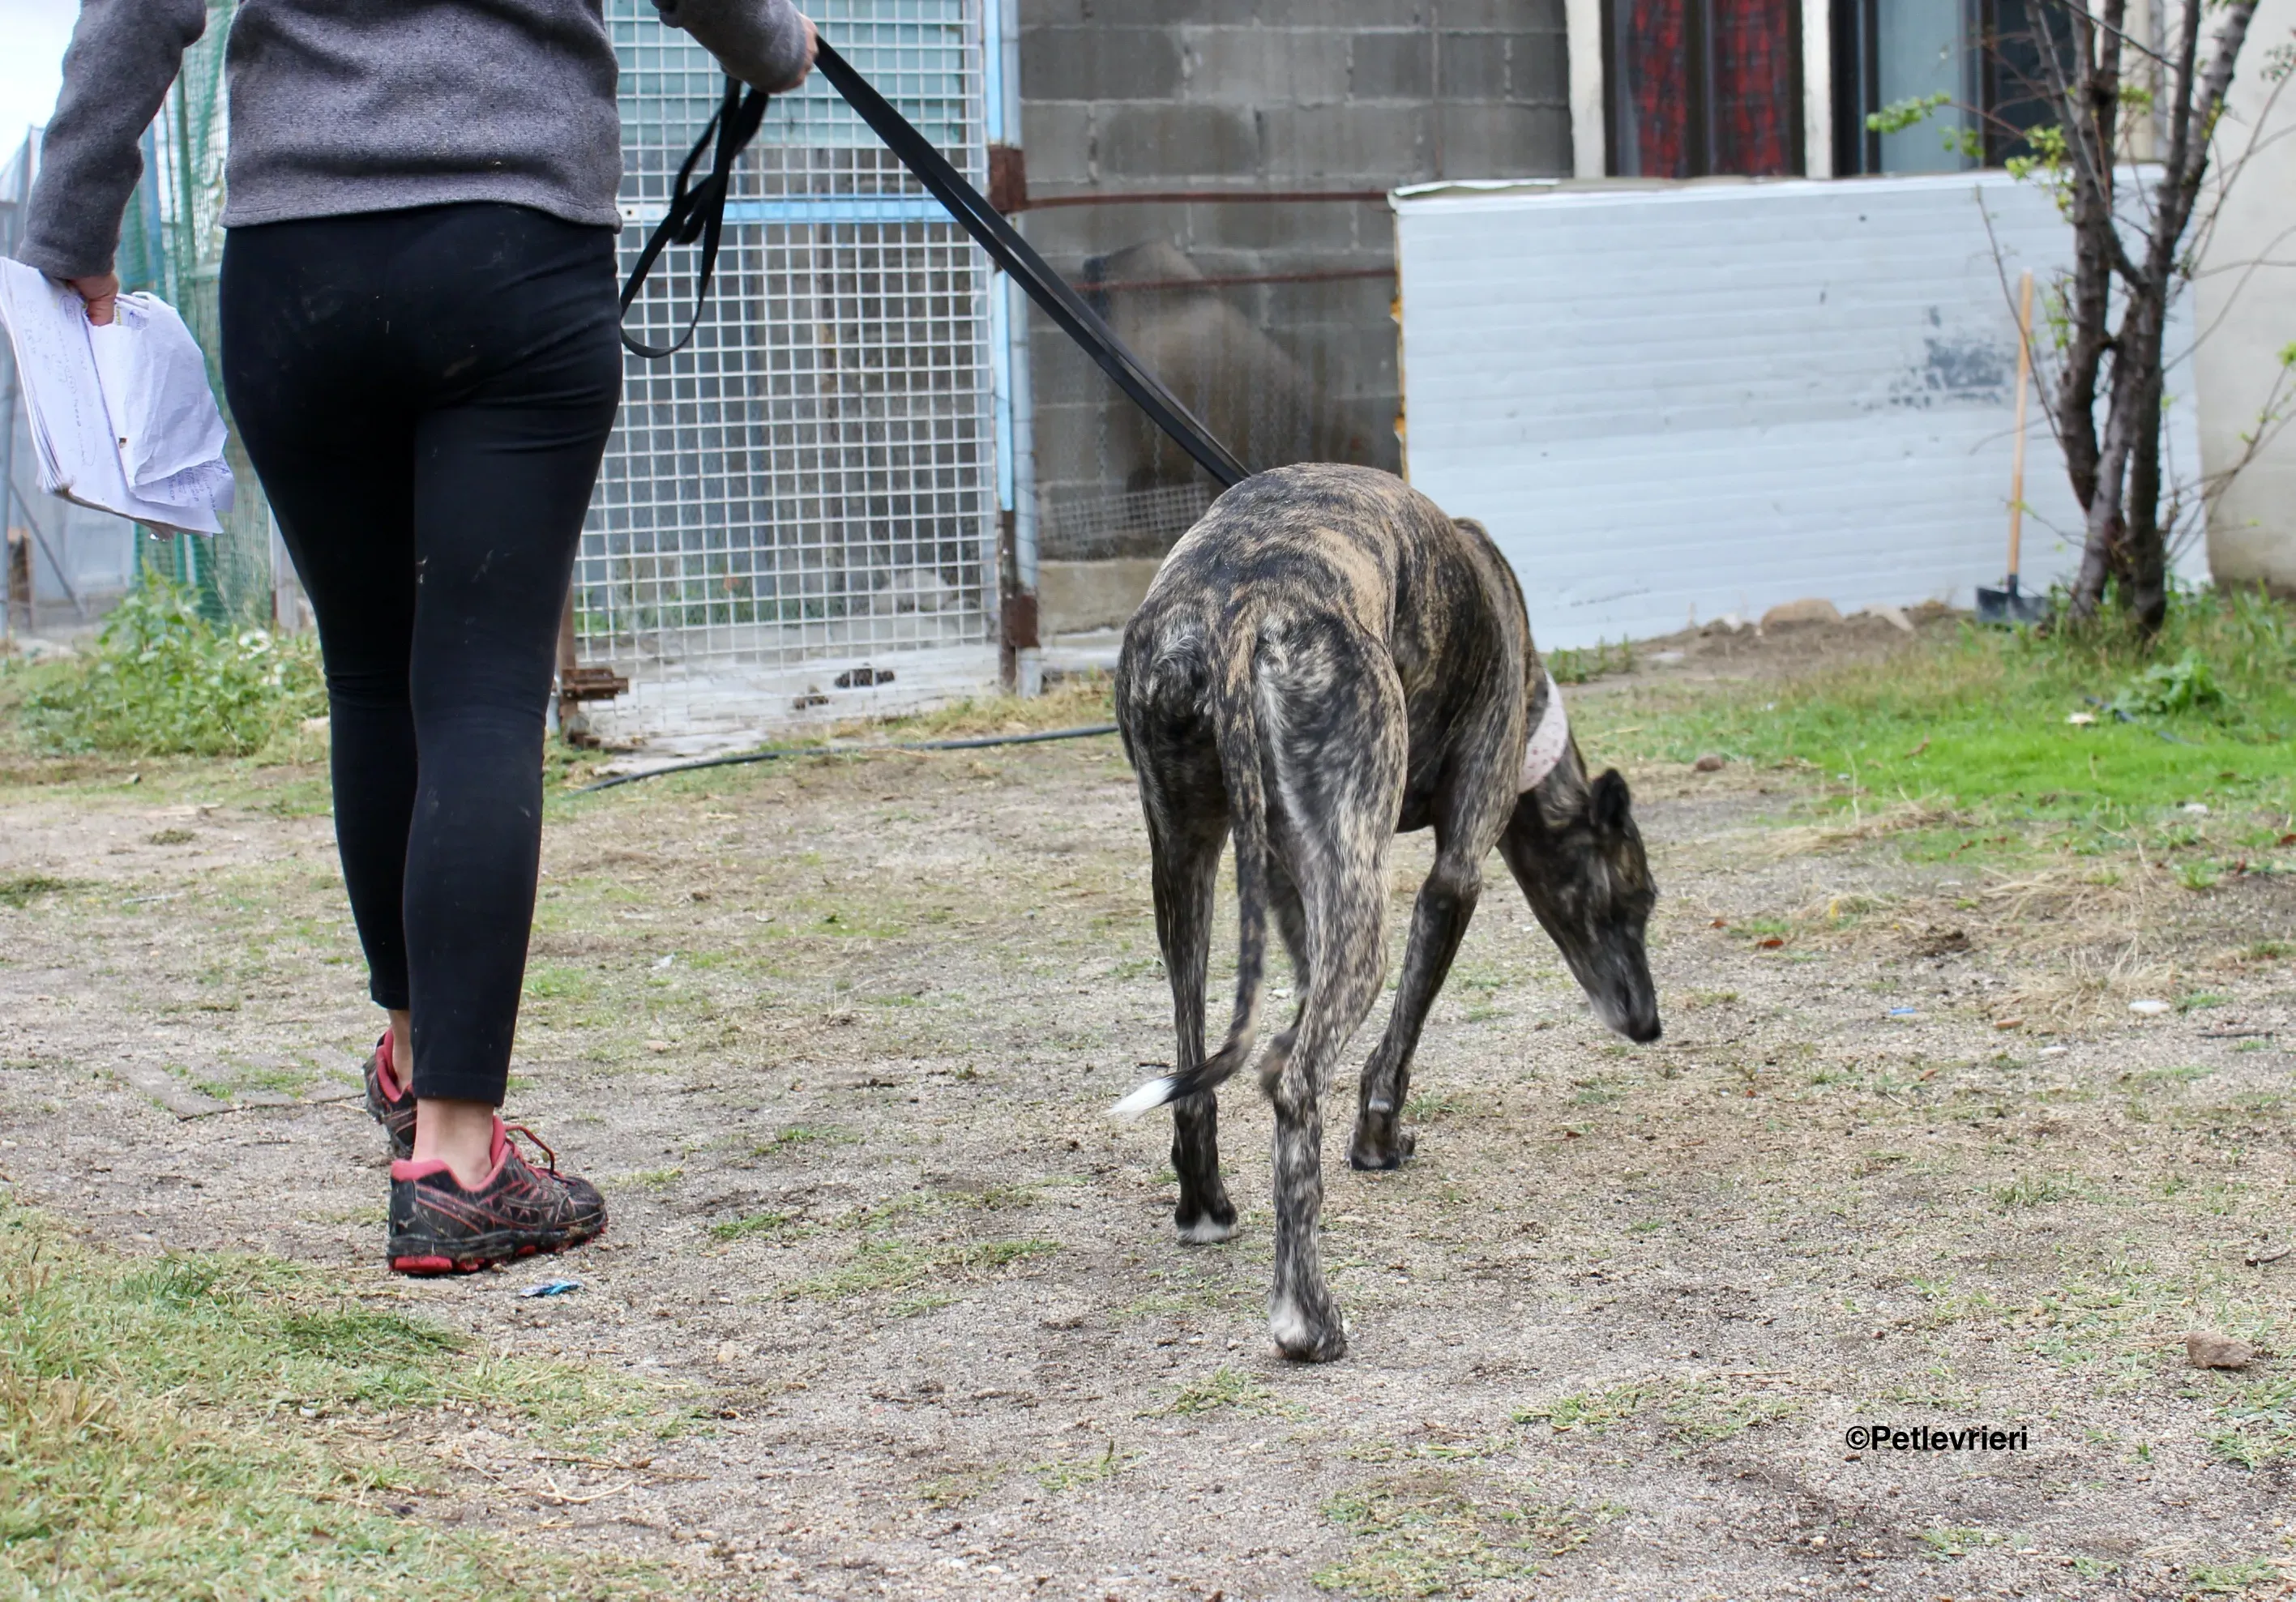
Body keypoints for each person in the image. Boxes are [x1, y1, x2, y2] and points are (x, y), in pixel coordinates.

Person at [16, 0, 816, 1274]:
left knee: (373, 675)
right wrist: (775, 45)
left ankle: (408, 1049)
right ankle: (456, 1157)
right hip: (512, 246)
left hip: (298, 262)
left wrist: (67, 231)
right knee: (483, 692)